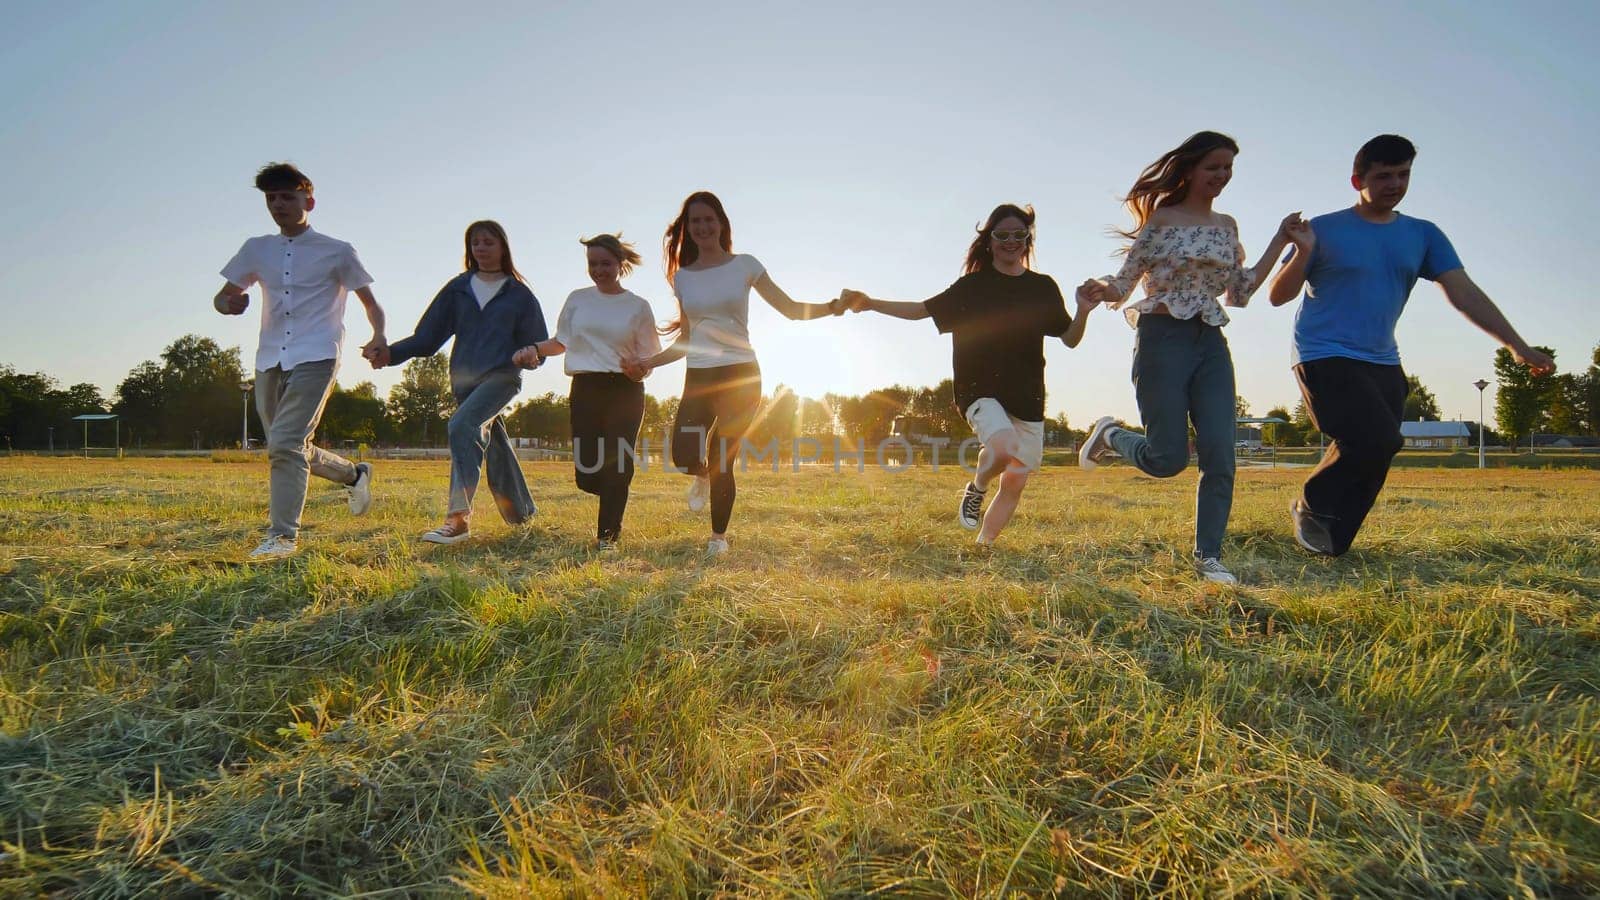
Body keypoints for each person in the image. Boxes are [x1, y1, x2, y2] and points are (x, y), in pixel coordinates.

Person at [1267, 134, 1554, 556]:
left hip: (1383, 359)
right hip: (1322, 352)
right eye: (1384, 176)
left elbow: (1463, 293)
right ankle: (1312, 506)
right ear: (1357, 180)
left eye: (1403, 175)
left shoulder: (1423, 235)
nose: (1395, 184)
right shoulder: (1323, 229)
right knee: (1378, 438)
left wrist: (1517, 345)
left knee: (1376, 448)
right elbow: (1278, 295)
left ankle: (1330, 542)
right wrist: (1303, 252)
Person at [1075, 131, 1301, 584]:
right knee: (1167, 460)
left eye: (1228, 169)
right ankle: (1111, 434)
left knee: (1221, 453)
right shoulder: (1162, 220)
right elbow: (1125, 282)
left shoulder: (1227, 226)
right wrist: (1101, 291)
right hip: (1162, 337)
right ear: (1191, 169)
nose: (1222, 176)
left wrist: (1280, 240)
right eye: (1214, 167)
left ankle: (1208, 556)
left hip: (1210, 340)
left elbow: (1239, 292)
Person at [843, 203, 1095, 546]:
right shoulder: (972, 287)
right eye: (1002, 235)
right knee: (1003, 447)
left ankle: (983, 546)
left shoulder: (1043, 287)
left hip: (1029, 394)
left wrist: (1082, 310)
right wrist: (871, 303)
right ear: (989, 241)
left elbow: (1069, 338)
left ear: (1028, 240)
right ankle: (977, 487)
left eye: (1019, 235)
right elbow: (921, 311)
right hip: (979, 387)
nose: (1011, 241)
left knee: (1015, 481)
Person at [626, 191, 845, 556]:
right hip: (699, 375)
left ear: (721, 223)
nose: (702, 226)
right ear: (688, 228)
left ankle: (718, 539)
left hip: (741, 374)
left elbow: (790, 309)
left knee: (723, 457)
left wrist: (834, 308)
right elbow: (687, 338)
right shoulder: (684, 277)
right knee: (683, 454)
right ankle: (701, 475)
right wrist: (649, 362)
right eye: (695, 221)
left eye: (709, 219)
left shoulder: (744, 265)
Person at [213, 162, 387, 560]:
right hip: (270, 356)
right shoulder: (255, 248)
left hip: (318, 354)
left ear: (308, 200)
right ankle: (353, 474)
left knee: (286, 443)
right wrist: (229, 304)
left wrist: (378, 335)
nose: (278, 205)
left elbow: (371, 304)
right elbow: (222, 297)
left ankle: (282, 537)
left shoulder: (338, 251)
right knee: (286, 445)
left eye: (287, 197)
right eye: (271, 199)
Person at [368, 220, 547, 544]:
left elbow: (537, 345)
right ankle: (523, 516)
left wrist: (530, 356)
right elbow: (427, 338)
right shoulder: (457, 289)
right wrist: (391, 354)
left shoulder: (519, 295)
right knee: (495, 446)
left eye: (488, 242)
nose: (481, 247)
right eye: (475, 242)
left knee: (462, 427)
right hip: (464, 383)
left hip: (502, 378)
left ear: (503, 247)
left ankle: (458, 519)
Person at [513, 234, 660, 550]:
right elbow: (560, 342)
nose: (599, 270)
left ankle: (608, 538)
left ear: (620, 264)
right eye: (593, 264)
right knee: (587, 472)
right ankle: (613, 488)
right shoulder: (577, 299)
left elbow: (650, 357)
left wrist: (640, 367)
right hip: (585, 388)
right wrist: (534, 348)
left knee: (618, 464)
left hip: (625, 389)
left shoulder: (638, 306)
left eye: (605, 263)